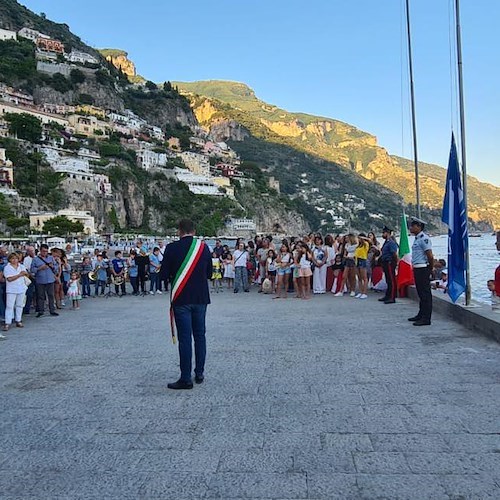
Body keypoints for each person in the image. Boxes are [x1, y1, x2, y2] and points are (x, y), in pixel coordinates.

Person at [160, 219, 213, 390]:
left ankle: (185, 378)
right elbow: (210, 274)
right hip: (201, 298)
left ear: (179, 231)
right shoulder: (204, 247)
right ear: (194, 230)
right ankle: (199, 373)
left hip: (181, 298)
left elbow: (163, 275)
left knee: (185, 338)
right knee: (200, 336)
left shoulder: (171, 248)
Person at [408, 217, 434, 326]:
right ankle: (421, 314)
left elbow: (430, 255)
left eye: (413, 226)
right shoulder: (417, 239)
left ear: (419, 227)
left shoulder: (424, 239)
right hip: (417, 268)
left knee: (425, 294)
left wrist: (430, 268)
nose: (411, 228)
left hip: (423, 268)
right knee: (420, 293)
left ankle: (426, 318)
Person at [2, 252, 29, 333]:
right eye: (12, 258)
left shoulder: (21, 266)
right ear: (9, 260)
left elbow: (26, 274)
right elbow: (9, 279)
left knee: (19, 305)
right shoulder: (7, 268)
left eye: (16, 258)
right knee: (9, 306)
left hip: (21, 288)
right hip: (11, 289)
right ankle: (7, 322)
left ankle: (18, 320)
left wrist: (24, 274)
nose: (14, 260)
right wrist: (19, 275)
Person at [30, 244, 58, 317]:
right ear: (40, 250)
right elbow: (32, 269)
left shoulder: (51, 258)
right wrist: (39, 268)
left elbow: (56, 267)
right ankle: (41, 311)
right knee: (40, 296)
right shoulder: (35, 259)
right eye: (43, 251)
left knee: (51, 295)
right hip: (40, 280)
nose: (45, 253)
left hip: (50, 279)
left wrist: (53, 267)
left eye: (46, 251)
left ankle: (52, 310)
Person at [379, 226, 398, 304]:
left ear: (388, 233)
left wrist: (395, 263)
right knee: (388, 280)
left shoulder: (391, 242)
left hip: (389, 262)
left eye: (384, 233)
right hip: (385, 263)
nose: (383, 234)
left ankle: (392, 297)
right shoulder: (386, 242)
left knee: (391, 280)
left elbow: (394, 254)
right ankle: (388, 295)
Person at [354, 233, 370, 299]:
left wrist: (362, 238)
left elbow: (369, 240)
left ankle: (364, 292)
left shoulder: (366, 244)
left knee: (364, 277)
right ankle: (360, 291)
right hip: (357, 260)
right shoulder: (358, 246)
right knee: (359, 277)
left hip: (363, 260)